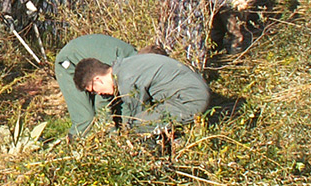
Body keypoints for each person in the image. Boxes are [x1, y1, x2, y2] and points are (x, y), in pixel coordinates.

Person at [72, 52, 210, 135]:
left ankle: (157, 165)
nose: (100, 94)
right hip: (193, 92)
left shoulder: (126, 80)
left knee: (139, 126)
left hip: (191, 99)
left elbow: (137, 117)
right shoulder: (124, 66)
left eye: (94, 90)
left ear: (98, 80)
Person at [54, 34, 138, 137]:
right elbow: (102, 104)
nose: (96, 93)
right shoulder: (119, 66)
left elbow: (128, 101)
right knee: (85, 117)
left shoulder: (133, 67)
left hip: (93, 65)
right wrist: (112, 136)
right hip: (69, 63)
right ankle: (75, 145)